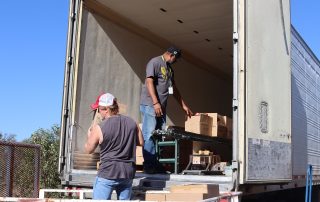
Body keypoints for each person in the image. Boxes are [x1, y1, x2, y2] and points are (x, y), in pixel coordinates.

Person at [140, 46, 193, 174]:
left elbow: (173, 89)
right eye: (176, 59)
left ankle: (155, 164)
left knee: (159, 136)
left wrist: (183, 105)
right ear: (172, 55)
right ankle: (149, 165)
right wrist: (156, 102)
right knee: (149, 135)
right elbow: (149, 82)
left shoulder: (169, 69)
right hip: (151, 105)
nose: (175, 61)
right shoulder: (155, 62)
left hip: (161, 108)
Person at [85, 93, 144, 200]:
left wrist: (90, 136)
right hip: (127, 173)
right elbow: (141, 142)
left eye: (99, 110)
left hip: (108, 172)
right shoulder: (132, 123)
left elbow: (89, 150)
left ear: (106, 109)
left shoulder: (99, 128)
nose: (99, 112)